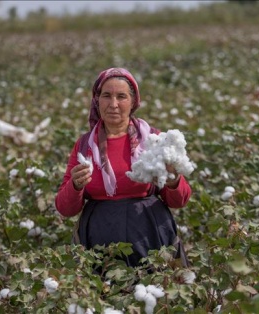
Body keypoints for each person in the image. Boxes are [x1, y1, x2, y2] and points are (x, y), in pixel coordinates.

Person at [55, 67, 192, 268]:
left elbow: (180, 200)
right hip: (98, 240)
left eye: (121, 96)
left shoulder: (152, 140)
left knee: (155, 289)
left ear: (133, 101)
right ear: (96, 100)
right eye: (106, 96)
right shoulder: (85, 145)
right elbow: (65, 208)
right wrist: (75, 185)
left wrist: (173, 180)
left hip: (150, 235)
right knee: (102, 294)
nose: (113, 104)